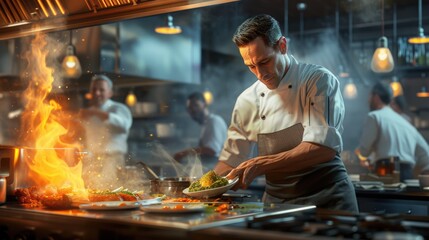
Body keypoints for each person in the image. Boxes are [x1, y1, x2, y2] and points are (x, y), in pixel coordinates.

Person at [214, 14, 358, 213]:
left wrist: (261, 164)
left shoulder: (316, 80)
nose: (260, 73)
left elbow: (323, 148)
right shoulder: (246, 100)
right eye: (251, 66)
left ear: (282, 46)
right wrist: (203, 188)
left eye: (264, 62)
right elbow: (232, 159)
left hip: (328, 199)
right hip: (277, 203)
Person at [356, 82, 429, 181]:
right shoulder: (406, 124)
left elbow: (364, 151)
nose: (368, 100)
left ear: (376, 97)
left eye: (370, 96)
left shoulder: (374, 116)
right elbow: (426, 153)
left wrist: (361, 153)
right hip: (407, 175)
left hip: (385, 173)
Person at [79, 74, 133, 189]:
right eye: (94, 89)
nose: (97, 93)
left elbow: (124, 125)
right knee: (92, 190)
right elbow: (82, 135)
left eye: (101, 90)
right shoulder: (87, 113)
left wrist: (97, 113)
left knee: (111, 190)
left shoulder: (119, 108)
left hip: (113, 159)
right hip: (92, 160)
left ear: (110, 93)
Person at [174, 92, 227, 170]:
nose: (193, 110)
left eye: (196, 105)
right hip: (211, 171)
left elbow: (211, 150)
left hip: (217, 171)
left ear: (204, 104)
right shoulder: (206, 124)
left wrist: (183, 153)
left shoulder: (213, 121)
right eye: (190, 108)